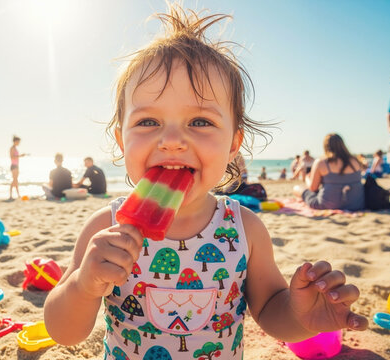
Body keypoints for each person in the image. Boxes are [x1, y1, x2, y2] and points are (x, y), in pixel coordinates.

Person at [44, 7, 367, 359]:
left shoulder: (245, 229)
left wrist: (302, 317)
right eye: (148, 121)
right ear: (122, 142)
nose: (171, 140)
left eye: (199, 121)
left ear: (233, 145)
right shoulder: (105, 228)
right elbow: (65, 333)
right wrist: (83, 286)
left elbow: (273, 313)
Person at [293, 134, 365, 210]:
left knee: (297, 188)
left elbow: (313, 188)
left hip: (327, 205)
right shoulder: (355, 161)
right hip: (356, 204)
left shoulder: (321, 162)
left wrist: (307, 178)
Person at [9, 135, 27, 200]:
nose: (19, 143)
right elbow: (12, 157)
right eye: (18, 141)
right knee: (14, 180)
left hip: (16, 165)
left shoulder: (15, 148)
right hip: (13, 166)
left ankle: (18, 194)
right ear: (15, 141)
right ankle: (10, 195)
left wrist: (20, 156)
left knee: (16, 180)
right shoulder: (12, 148)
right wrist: (20, 156)